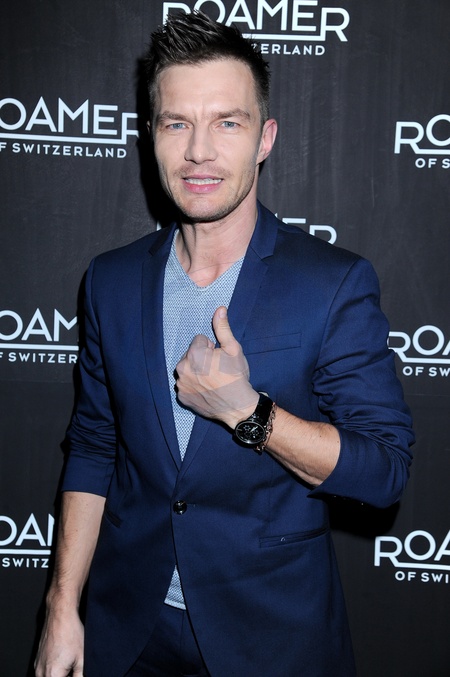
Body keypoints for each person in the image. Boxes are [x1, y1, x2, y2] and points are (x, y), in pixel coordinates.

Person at [35, 11, 414, 677]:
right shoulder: (110, 280)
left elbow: (384, 472)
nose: (199, 152)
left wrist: (250, 414)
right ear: (150, 135)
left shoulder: (332, 283)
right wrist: (62, 606)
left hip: (271, 640)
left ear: (265, 138)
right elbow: (94, 448)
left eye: (227, 123)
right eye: (176, 123)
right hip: (130, 633)